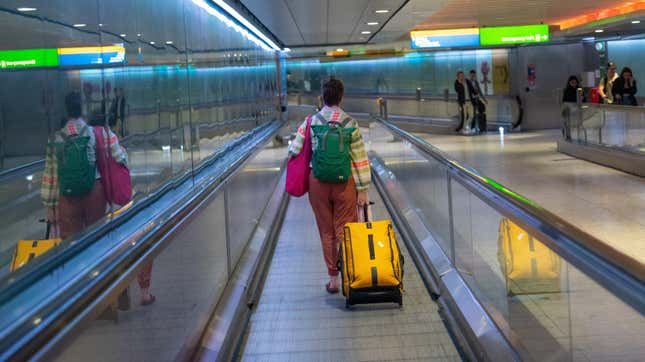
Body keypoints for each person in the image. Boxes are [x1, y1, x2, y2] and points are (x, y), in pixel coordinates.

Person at [288, 78, 370, 294]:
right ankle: (351, 276)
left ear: (322, 97)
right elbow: (360, 159)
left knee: (327, 232)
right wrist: (363, 190)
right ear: (341, 97)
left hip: (318, 182)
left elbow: (294, 150)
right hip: (344, 183)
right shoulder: (351, 123)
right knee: (345, 230)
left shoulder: (310, 121)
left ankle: (333, 279)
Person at [42, 92, 120, 239]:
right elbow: (119, 155)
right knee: (97, 236)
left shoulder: (55, 138)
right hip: (94, 190)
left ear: (66, 109)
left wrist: (50, 207)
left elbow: (50, 176)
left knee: (71, 241)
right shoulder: (96, 132)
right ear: (83, 109)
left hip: (67, 194)